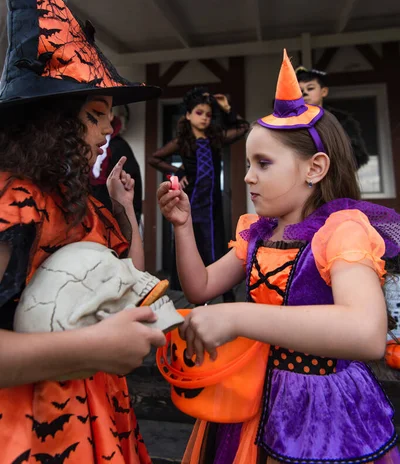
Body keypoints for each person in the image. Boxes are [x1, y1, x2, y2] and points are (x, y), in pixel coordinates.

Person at [157, 50, 400, 464]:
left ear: (315, 168)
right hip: (252, 397)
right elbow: (198, 288)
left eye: (263, 164)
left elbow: (366, 332)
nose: (248, 175)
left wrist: (238, 317)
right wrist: (181, 227)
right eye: (250, 163)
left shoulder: (341, 231)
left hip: (322, 408)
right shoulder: (257, 233)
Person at [0, 0, 166, 463]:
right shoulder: (14, 202)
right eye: (96, 115)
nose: (110, 129)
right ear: (53, 122)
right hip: (36, 424)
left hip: (106, 412)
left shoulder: (85, 202)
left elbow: (129, 278)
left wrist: (126, 210)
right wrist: (94, 346)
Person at [149, 87, 249, 299]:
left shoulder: (216, 138)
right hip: (191, 201)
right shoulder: (182, 142)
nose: (204, 118)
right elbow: (154, 158)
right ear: (188, 115)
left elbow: (243, 127)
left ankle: (224, 293)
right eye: (199, 113)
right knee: (191, 243)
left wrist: (227, 108)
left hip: (213, 203)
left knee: (215, 243)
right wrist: (178, 172)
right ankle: (186, 294)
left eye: (208, 115)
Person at [296, 66, 369, 169]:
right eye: (300, 90)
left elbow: (357, 156)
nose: (304, 93)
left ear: (324, 91)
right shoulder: (291, 121)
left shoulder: (341, 120)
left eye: (310, 88)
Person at [91, 105, 143, 225]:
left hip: (111, 214)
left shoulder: (119, 146)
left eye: (102, 113)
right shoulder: (80, 145)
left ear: (111, 116)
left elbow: (131, 184)